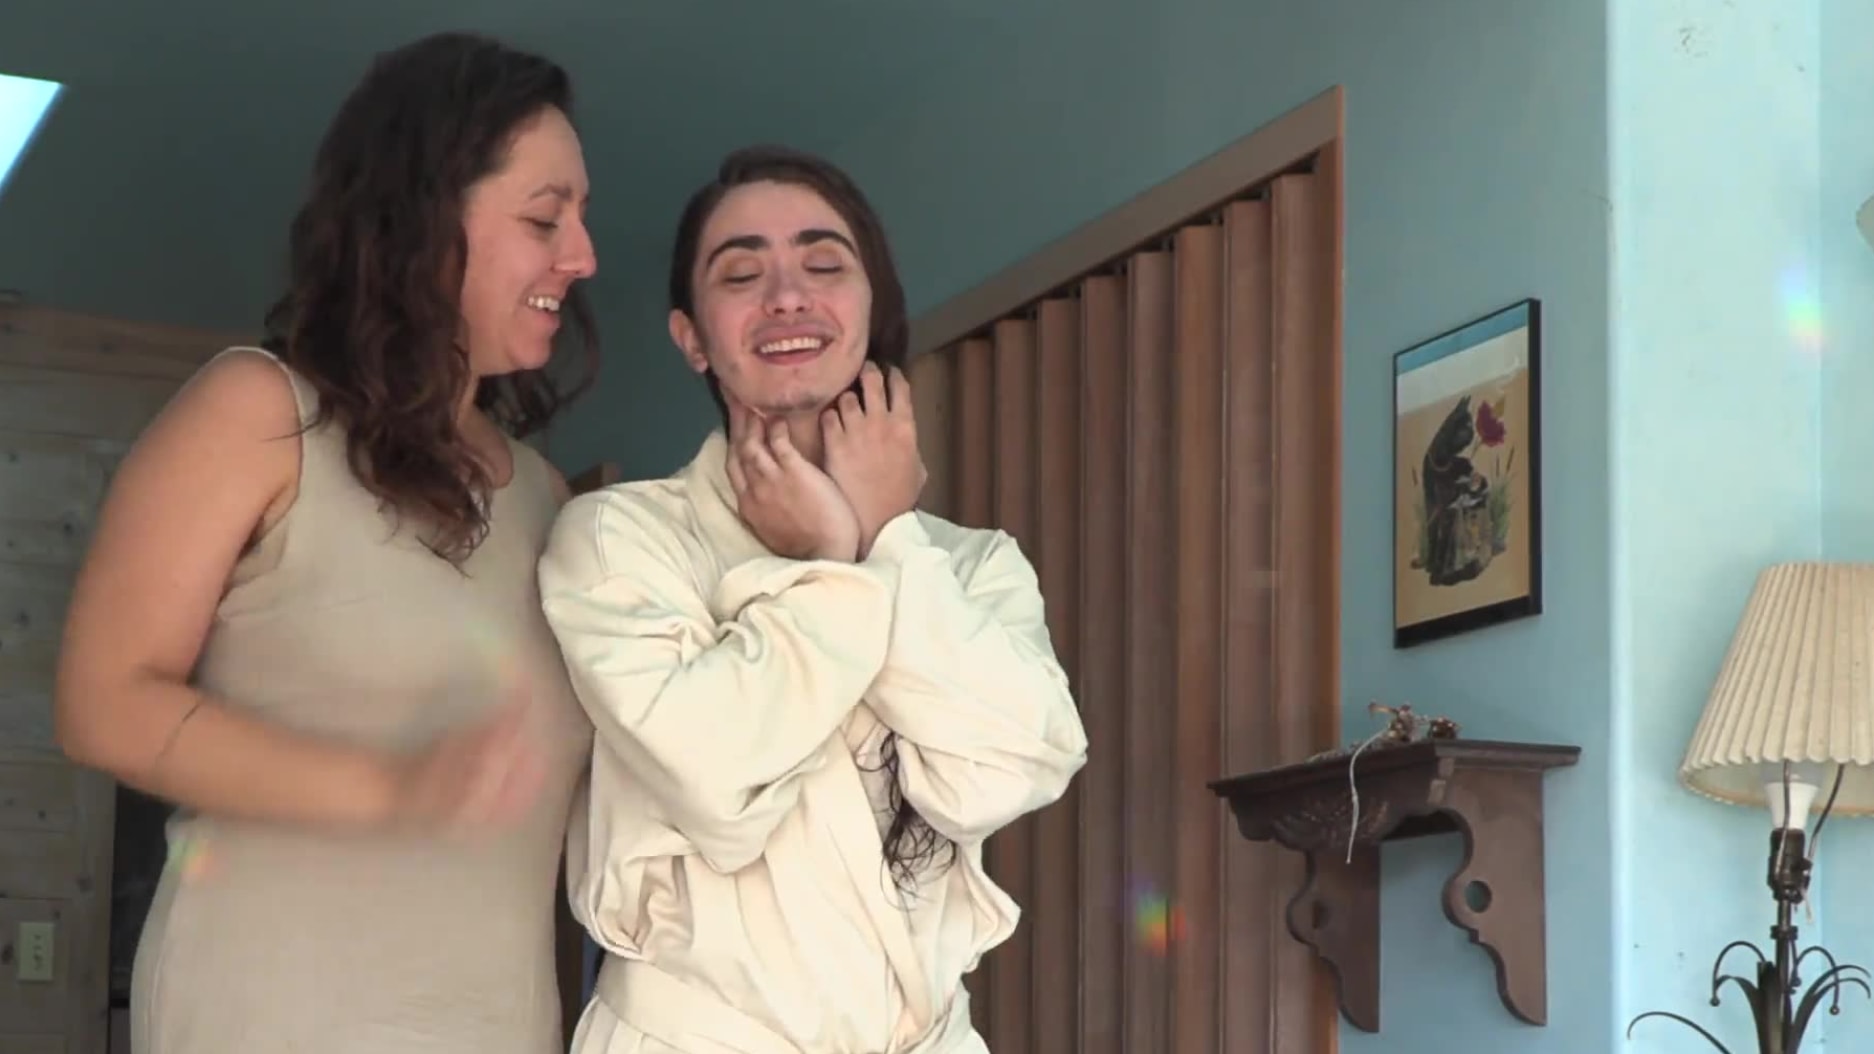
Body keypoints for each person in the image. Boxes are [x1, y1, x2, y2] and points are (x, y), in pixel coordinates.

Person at [53, 32, 600, 1054]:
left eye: (580, 217)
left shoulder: (548, 498)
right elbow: (101, 704)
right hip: (272, 1014)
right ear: (421, 216)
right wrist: (390, 788)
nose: (583, 256)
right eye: (544, 218)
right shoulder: (257, 412)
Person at [537, 145, 1089, 1053]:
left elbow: (1010, 771)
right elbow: (717, 780)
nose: (787, 296)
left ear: (873, 310)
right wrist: (835, 562)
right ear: (691, 337)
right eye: (741, 274)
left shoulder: (970, 564)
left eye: (825, 265)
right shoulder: (619, 539)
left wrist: (888, 539)